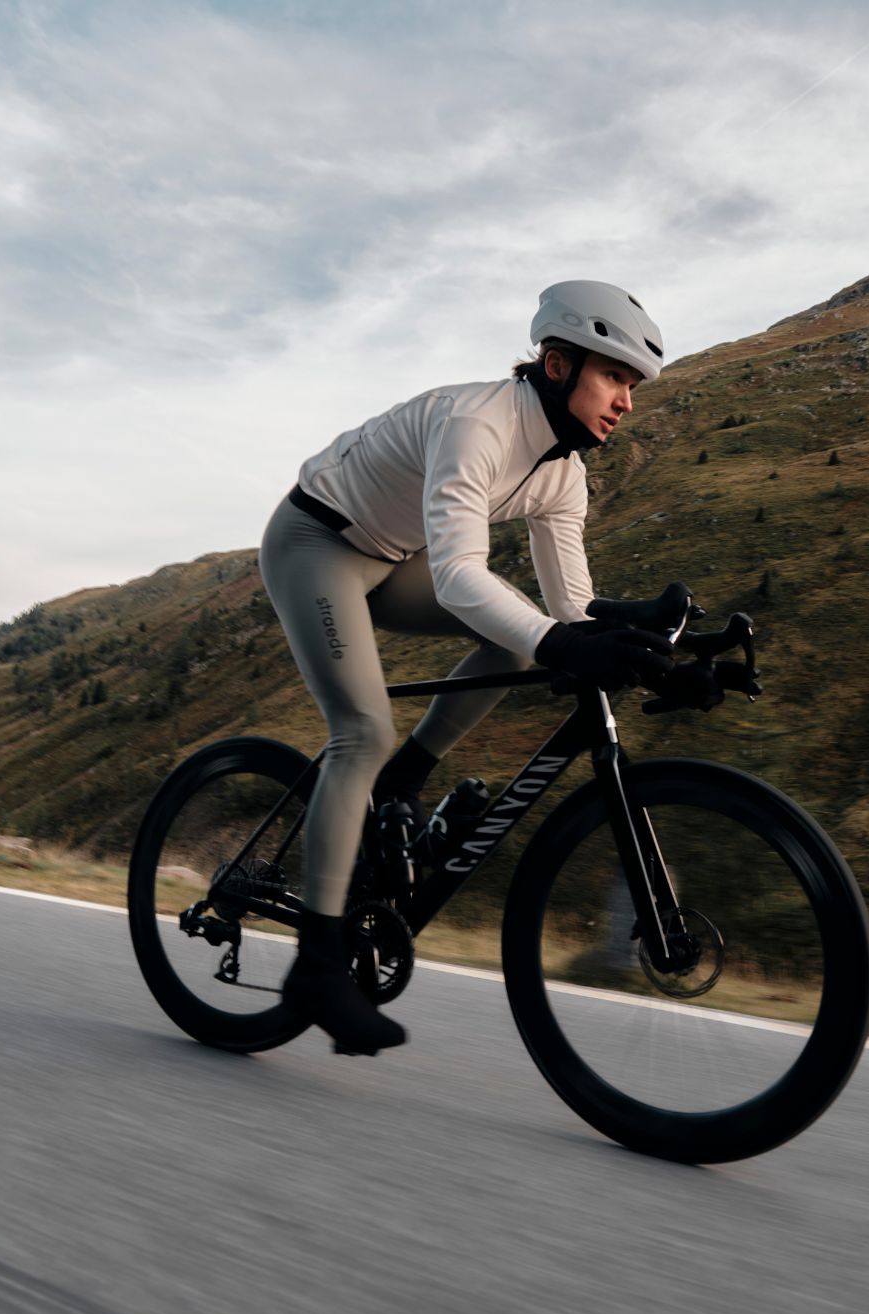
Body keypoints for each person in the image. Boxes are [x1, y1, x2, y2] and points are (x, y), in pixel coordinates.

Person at [259, 281, 673, 1055]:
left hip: (393, 557)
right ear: (558, 364)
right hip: (316, 543)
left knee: (515, 638)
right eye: (615, 376)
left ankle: (404, 780)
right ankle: (315, 967)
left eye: (633, 385)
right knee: (361, 731)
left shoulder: (563, 473)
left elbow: (570, 610)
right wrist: (564, 644)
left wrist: (657, 649)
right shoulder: (477, 423)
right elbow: (458, 578)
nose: (626, 401)